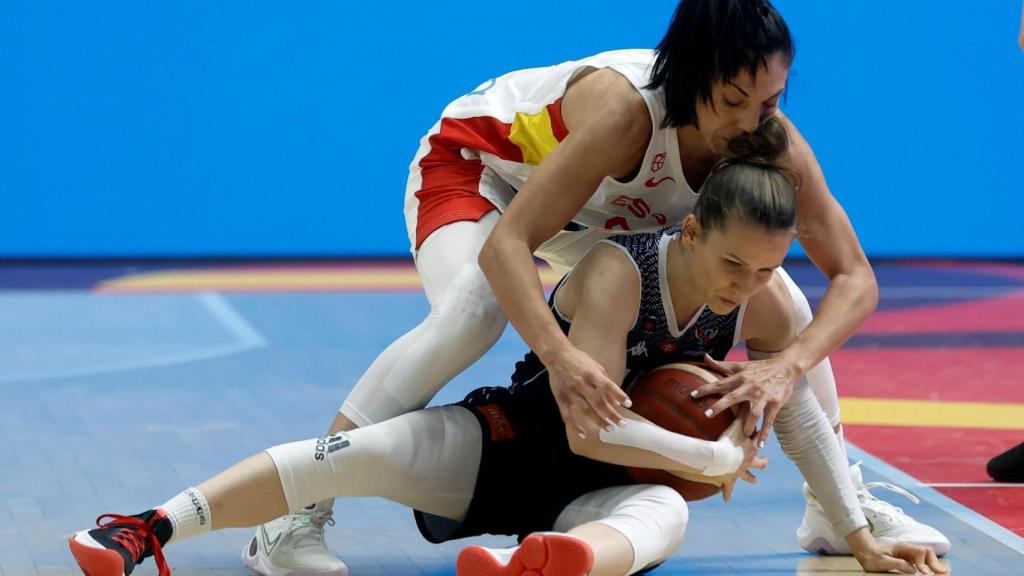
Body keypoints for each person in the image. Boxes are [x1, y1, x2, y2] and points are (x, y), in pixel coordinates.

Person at [252, 1, 947, 573]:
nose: (749, 123)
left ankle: (836, 506)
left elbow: (854, 278)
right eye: (734, 100)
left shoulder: (767, 142)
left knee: (783, 306)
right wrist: (559, 358)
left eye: (767, 102)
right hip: (484, 176)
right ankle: (293, 516)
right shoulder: (624, 113)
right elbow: (510, 246)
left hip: (598, 218)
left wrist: (786, 368)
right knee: (476, 308)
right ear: (692, 76)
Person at [67, 150, 948, 576]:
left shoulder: (762, 301)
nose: (746, 286)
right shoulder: (615, 271)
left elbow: (796, 413)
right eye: (733, 265)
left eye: (765, 269)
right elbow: (590, 428)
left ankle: (552, 564)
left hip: (606, 490)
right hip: (510, 444)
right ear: (690, 228)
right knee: (349, 460)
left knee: (659, 526)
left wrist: (862, 543)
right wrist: (709, 456)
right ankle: (147, 525)